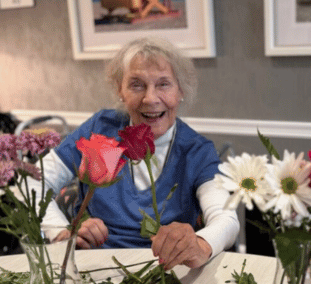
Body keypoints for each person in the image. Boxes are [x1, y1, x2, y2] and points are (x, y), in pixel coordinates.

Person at [35, 37, 239, 270]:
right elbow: (34, 182)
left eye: (163, 84)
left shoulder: (196, 150)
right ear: (120, 90)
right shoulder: (99, 129)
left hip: (165, 271)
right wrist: (62, 234)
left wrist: (200, 245)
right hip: (94, 266)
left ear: (181, 91)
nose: (150, 98)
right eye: (137, 85)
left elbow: (226, 219)